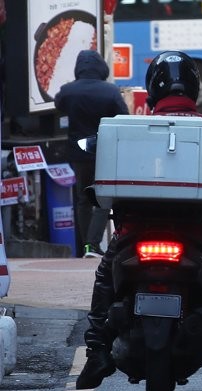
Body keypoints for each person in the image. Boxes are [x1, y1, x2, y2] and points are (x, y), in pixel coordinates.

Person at [76, 51, 202, 391]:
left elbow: (100, 181)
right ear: (193, 87)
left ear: (153, 89)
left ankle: (96, 353)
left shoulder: (128, 128)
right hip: (193, 237)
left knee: (104, 278)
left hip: (132, 235)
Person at [54, 50, 128, 258]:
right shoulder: (110, 91)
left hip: (77, 153)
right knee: (103, 199)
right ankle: (93, 245)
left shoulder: (68, 91)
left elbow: (59, 106)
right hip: (103, 152)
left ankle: (84, 246)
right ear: (101, 67)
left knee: (82, 198)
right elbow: (124, 117)